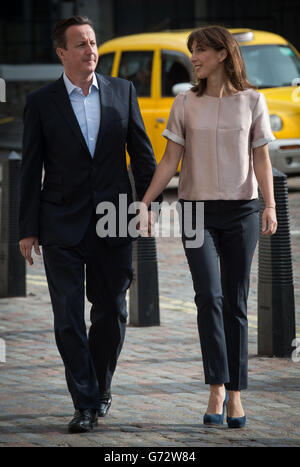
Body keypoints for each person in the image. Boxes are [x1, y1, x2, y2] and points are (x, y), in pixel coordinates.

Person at [18, 16, 161, 433]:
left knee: (112, 311)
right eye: (80, 44)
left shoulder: (122, 90)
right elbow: (30, 170)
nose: (90, 50)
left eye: (93, 42)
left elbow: (143, 153)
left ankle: (100, 386)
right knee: (67, 316)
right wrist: (27, 228)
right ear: (61, 52)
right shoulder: (41, 102)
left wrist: (150, 203)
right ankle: (84, 402)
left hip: (113, 220)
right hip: (60, 222)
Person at [139, 25, 277, 429]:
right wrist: (145, 203)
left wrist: (269, 206)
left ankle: (234, 394)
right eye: (192, 51)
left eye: (200, 50)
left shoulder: (253, 101)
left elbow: (262, 160)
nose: (194, 57)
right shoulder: (185, 102)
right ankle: (216, 384)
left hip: (241, 212)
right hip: (196, 212)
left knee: (235, 301)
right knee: (208, 296)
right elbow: (169, 162)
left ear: (222, 53)